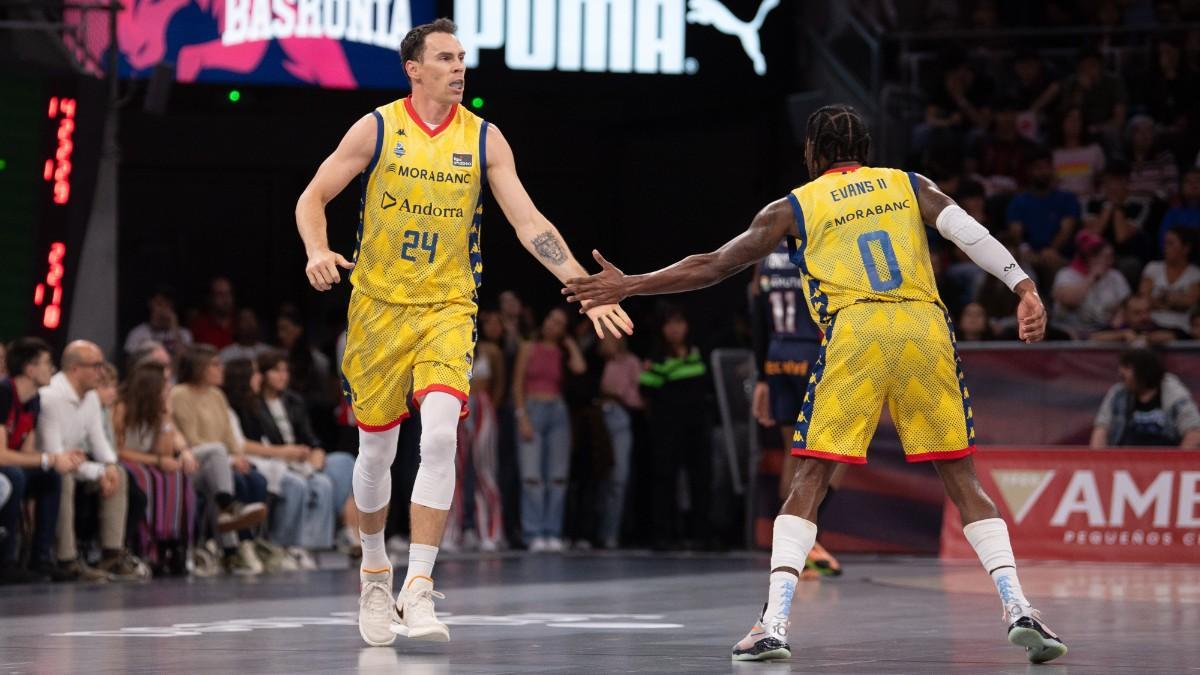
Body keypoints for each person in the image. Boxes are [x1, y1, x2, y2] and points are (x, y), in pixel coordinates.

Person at [563, 104, 1066, 664]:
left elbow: (713, 264)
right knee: (961, 477)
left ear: (812, 154)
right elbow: (970, 232)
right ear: (866, 150)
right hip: (925, 326)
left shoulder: (795, 205)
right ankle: (1019, 607)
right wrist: (1024, 287)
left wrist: (630, 284)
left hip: (857, 328)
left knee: (809, 476)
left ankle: (772, 624)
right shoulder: (908, 184)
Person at [293, 18, 632, 647]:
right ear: (414, 69)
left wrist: (585, 286)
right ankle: (374, 571)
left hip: (448, 305)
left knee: (444, 431)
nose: (459, 68)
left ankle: (418, 586)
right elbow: (311, 198)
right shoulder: (377, 127)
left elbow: (530, 222)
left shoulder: (484, 138)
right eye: (446, 58)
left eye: (462, 58)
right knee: (375, 454)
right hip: (377, 308)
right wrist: (317, 249)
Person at [750, 241, 841, 575]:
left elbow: (757, 315)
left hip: (777, 357)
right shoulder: (820, 250)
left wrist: (762, 375)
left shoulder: (766, 258)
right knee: (839, 451)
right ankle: (805, 541)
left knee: (793, 451)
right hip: (813, 354)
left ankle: (789, 543)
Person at [38, 340, 143, 581]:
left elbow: (100, 443)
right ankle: (67, 559)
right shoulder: (51, 397)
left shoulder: (92, 398)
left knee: (119, 473)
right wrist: (98, 471)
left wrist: (108, 467)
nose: (102, 372)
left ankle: (111, 554)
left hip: (78, 464)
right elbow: (57, 456)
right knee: (63, 477)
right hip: (51, 465)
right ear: (75, 369)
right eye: (96, 366)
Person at [171, 344, 269, 574]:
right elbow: (191, 438)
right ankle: (230, 511)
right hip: (192, 462)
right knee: (219, 458)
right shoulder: (180, 394)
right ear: (199, 367)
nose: (220, 369)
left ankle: (237, 549)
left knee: (254, 479)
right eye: (215, 364)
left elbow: (229, 437)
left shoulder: (217, 395)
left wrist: (236, 456)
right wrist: (228, 458)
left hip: (218, 465)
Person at [0, 338, 82, 583]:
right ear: (29, 368)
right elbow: (1, 454)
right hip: (3, 467)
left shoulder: (33, 401)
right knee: (15, 476)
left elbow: (27, 454)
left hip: (11, 466)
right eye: (47, 363)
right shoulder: (4, 393)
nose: (52, 370)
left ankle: (41, 558)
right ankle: (6, 561)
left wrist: (57, 460)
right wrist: (50, 458)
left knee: (49, 477)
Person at [511, 308, 585, 552]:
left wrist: (570, 344)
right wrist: (522, 416)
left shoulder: (561, 351)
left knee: (557, 478)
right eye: (551, 319)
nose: (553, 325)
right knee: (532, 477)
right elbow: (517, 384)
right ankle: (534, 532)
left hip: (557, 411)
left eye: (560, 323)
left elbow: (580, 369)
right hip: (532, 407)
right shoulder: (528, 346)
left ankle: (553, 532)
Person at [114, 362, 198, 575]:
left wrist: (166, 418)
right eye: (165, 382)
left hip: (149, 459)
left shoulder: (157, 411)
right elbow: (119, 450)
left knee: (175, 476)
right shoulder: (122, 407)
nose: (169, 386)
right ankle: (145, 544)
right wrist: (157, 461)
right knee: (146, 477)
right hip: (127, 460)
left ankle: (170, 541)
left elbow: (165, 452)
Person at [1091, 348, 1200, 447]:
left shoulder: (1174, 393)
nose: (1121, 372)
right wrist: (1099, 463)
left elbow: (1194, 432)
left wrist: (1177, 464)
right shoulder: (1118, 394)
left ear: (1144, 370)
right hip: (1124, 460)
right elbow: (1101, 429)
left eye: (1127, 367)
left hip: (1164, 461)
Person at [595, 334, 641, 550]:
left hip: (620, 415)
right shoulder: (596, 361)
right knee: (598, 477)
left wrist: (618, 395)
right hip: (596, 419)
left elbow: (639, 397)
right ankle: (593, 533)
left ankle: (610, 534)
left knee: (618, 478)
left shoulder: (630, 362)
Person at [1051, 229, 1132, 338]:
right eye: (1104, 257)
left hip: (1104, 331)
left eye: (1110, 257)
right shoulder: (1066, 275)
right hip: (1070, 331)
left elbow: (1124, 306)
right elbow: (1070, 301)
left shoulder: (1115, 276)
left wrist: (1117, 322)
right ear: (1087, 257)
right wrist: (1092, 277)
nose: (1109, 262)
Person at [1140, 228, 1200, 332]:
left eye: (1170, 243)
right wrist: (1175, 301)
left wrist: (1160, 300)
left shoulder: (1195, 273)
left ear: (1186, 248)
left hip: (1182, 329)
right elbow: (1144, 300)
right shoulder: (1153, 267)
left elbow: (1190, 303)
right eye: (1165, 243)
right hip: (1152, 326)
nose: (1165, 247)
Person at [124, 287, 193, 358]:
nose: (162, 309)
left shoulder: (183, 333)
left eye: (167, 305)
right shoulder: (137, 333)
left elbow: (184, 359)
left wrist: (174, 325)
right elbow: (130, 363)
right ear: (150, 304)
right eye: (159, 304)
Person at [190, 277, 237, 349]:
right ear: (210, 298)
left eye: (228, 293)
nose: (226, 299)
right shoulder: (199, 325)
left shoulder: (240, 323)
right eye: (220, 294)